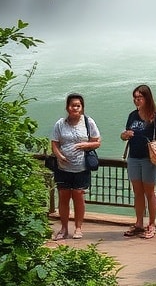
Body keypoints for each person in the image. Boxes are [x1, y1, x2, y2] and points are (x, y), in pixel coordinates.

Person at [50, 93, 101, 240]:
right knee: (63, 197)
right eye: (72, 105)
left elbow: (97, 142)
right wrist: (59, 156)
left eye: (78, 105)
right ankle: (64, 229)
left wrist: (85, 145)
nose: (75, 108)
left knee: (78, 197)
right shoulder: (60, 123)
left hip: (81, 167)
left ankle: (78, 228)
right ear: (67, 107)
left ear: (82, 107)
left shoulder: (88, 122)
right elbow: (55, 143)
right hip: (62, 167)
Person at [120, 83, 156, 239]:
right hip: (133, 157)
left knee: (150, 192)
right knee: (137, 192)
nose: (136, 100)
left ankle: (152, 224)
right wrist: (125, 135)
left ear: (147, 98)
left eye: (139, 97)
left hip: (149, 159)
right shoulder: (132, 115)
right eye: (134, 97)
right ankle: (139, 223)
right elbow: (125, 134)